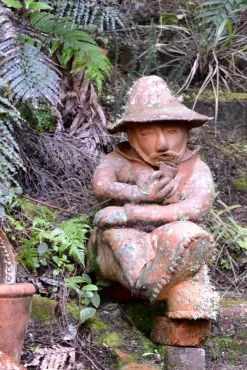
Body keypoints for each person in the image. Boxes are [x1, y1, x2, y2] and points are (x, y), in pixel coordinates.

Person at [89, 76, 218, 319]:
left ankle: (171, 287)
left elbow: (197, 207)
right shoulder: (118, 161)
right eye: (148, 134)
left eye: (171, 131)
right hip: (123, 233)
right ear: (131, 135)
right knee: (123, 241)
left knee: (188, 235)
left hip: (165, 230)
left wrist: (132, 212)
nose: (162, 144)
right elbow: (101, 186)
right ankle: (162, 286)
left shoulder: (196, 168)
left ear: (186, 132)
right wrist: (139, 194)